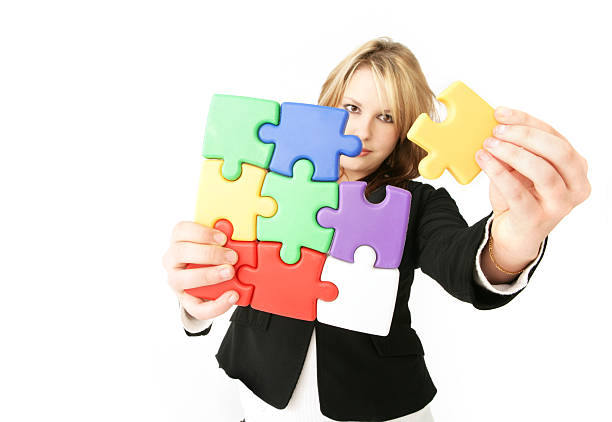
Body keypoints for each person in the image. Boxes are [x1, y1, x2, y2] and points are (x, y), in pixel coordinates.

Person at [162, 38, 591, 422]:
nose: (363, 131)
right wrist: (195, 297)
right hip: (260, 398)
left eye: (386, 116)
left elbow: (462, 261)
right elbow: (220, 277)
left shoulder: (418, 203)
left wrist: (514, 237)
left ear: (406, 128)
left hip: (380, 406)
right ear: (330, 105)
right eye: (352, 108)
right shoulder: (265, 180)